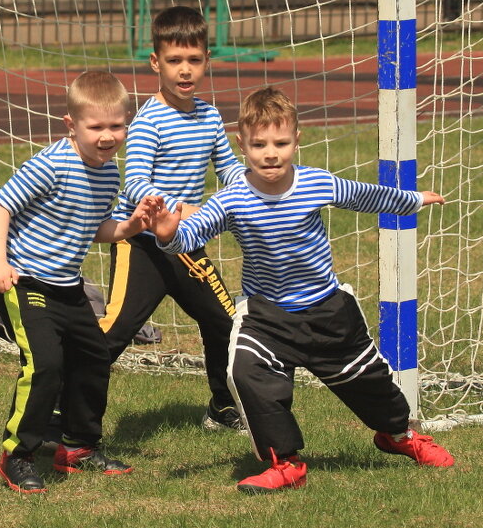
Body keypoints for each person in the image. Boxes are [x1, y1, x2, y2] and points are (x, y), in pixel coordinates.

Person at [148, 87, 454, 493]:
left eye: (280, 142)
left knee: (371, 383)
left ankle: (399, 436)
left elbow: (365, 195)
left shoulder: (315, 183)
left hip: (326, 310)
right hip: (266, 316)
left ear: (296, 140)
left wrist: (413, 199)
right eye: (258, 144)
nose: (269, 153)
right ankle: (284, 462)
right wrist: (169, 234)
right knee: (245, 371)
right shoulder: (232, 198)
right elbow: (192, 233)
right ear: (242, 145)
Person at [0, 70, 162, 494]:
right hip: (26, 282)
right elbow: (0, 205)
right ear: (72, 125)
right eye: (96, 126)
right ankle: (19, 454)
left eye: (117, 126)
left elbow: (98, 227)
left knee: (93, 359)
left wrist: (131, 226)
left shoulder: (109, 174)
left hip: (70, 288)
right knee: (45, 363)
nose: (107, 136)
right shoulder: (52, 163)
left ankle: (79, 446)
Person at [96, 6, 247, 431]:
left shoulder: (210, 116)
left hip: (184, 246)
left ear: (206, 61)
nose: (185, 71)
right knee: (114, 332)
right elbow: (135, 183)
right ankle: (64, 412)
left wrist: (250, 184)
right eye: (174, 61)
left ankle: (222, 408)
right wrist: (175, 209)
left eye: (194, 61)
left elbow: (229, 168)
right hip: (142, 244)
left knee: (225, 322)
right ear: (155, 63)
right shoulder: (149, 121)